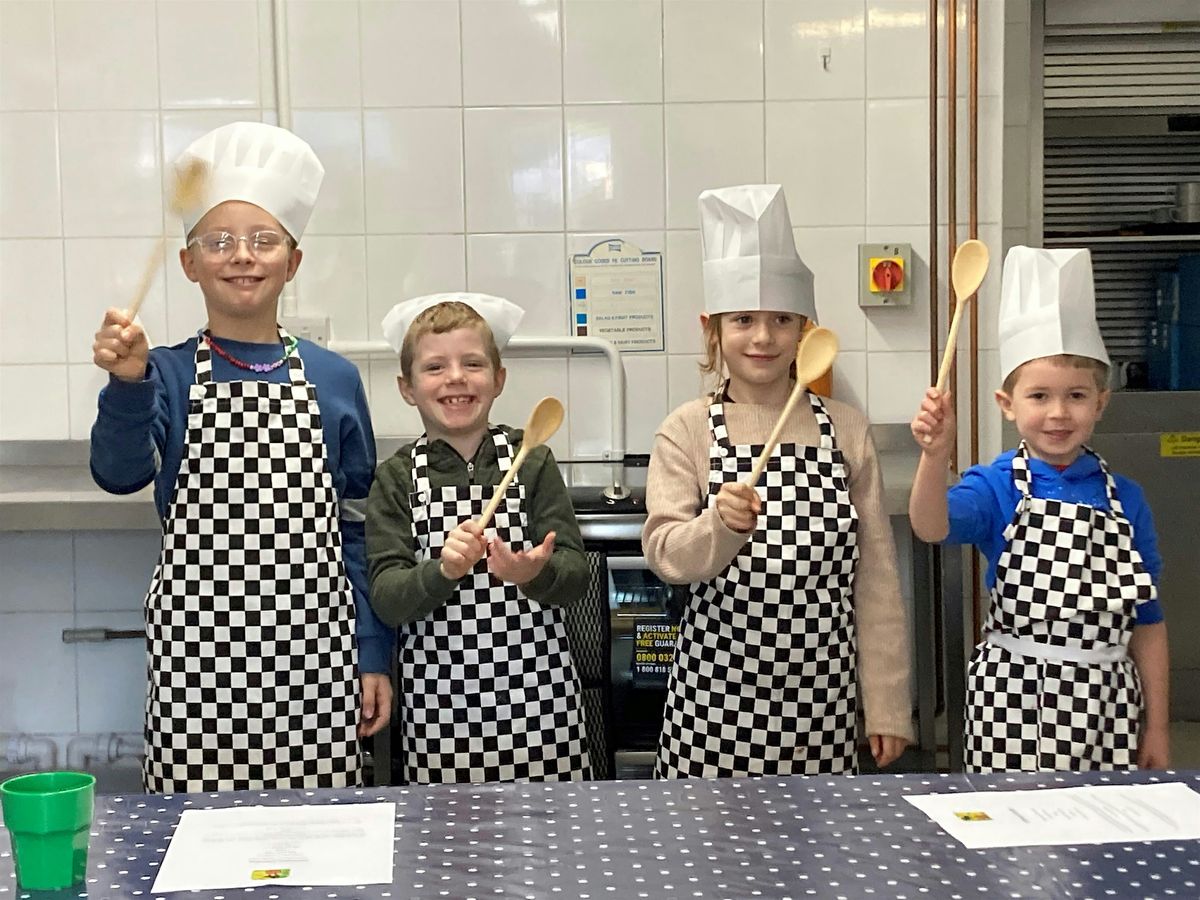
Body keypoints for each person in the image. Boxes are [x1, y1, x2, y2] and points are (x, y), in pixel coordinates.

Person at [90, 121, 393, 793]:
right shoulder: (164, 373)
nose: (242, 257)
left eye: (263, 241)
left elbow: (356, 527)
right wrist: (127, 383)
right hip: (197, 661)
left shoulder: (335, 380)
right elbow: (119, 473)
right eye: (218, 242)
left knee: (319, 840)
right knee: (191, 840)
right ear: (190, 263)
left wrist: (373, 650)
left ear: (293, 260)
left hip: (315, 658)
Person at [643, 184, 914, 779]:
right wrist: (718, 525)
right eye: (743, 320)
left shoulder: (846, 430)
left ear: (805, 331)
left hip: (822, 698)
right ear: (711, 329)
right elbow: (665, 555)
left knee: (812, 863)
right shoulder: (687, 430)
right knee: (710, 864)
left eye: (780, 320)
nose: (762, 338)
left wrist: (888, 703)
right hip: (714, 700)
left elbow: (877, 577)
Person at [909, 245, 1170, 772]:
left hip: (1109, 705)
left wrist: (1157, 726)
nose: (1058, 413)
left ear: (1101, 401)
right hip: (1013, 702)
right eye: (1039, 396)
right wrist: (935, 457)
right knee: (1013, 845)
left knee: (1100, 839)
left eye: (1076, 396)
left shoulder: (1127, 498)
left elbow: (1148, 620)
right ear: (1008, 404)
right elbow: (930, 525)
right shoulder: (996, 486)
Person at [367, 293, 592, 784]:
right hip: (440, 713)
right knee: (453, 851)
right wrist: (441, 571)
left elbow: (575, 577)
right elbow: (386, 598)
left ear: (498, 379)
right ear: (407, 388)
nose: (455, 378)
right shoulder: (396, 478)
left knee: (550, 846)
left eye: (473, 363)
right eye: (434, 367)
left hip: (539, 703)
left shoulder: (531, 461)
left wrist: (534, 573)